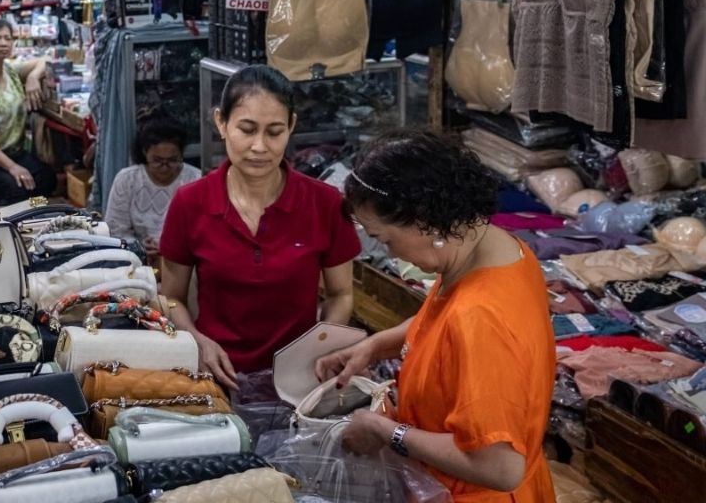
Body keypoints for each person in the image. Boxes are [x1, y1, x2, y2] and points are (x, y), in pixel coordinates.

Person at [316, 129, 556, 502]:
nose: (390, 253)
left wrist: (385, 431)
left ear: (424, 218)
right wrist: (376, 345)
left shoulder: (481, 319)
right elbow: (444, 324)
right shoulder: (496, 249)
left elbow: (500, 467)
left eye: (386, 239)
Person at [159, 65, 361, 390]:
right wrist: (195, 340)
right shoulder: (190, 202)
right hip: (214, 379)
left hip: (299, 383)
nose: (259, 146)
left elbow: (341, 294)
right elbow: (171, 299)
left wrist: (315, 352)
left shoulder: (324, 204)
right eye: (247, 129)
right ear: (221, 123)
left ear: (292, 126)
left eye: (274, 131)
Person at [0, 18, 56, 205]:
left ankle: (30, 217)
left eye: (8, 38)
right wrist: (12, 167)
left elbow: (45, 60)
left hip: (15, 152)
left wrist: (32, 77)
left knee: (48, 179)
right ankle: (5, 225)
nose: (4, 43)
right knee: (17, 188)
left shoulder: (9, 70)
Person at [105, 119, 202, 262]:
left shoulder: (195, 179)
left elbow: (202, 232)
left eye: (172, 160)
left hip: (183, 260)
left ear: (181, 154)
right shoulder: (127, 180)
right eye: (157, 160)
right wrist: (139, 248)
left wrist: (170, 248)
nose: (164, 167)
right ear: (145, 153)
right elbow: (115, 230)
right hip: (135, 258)